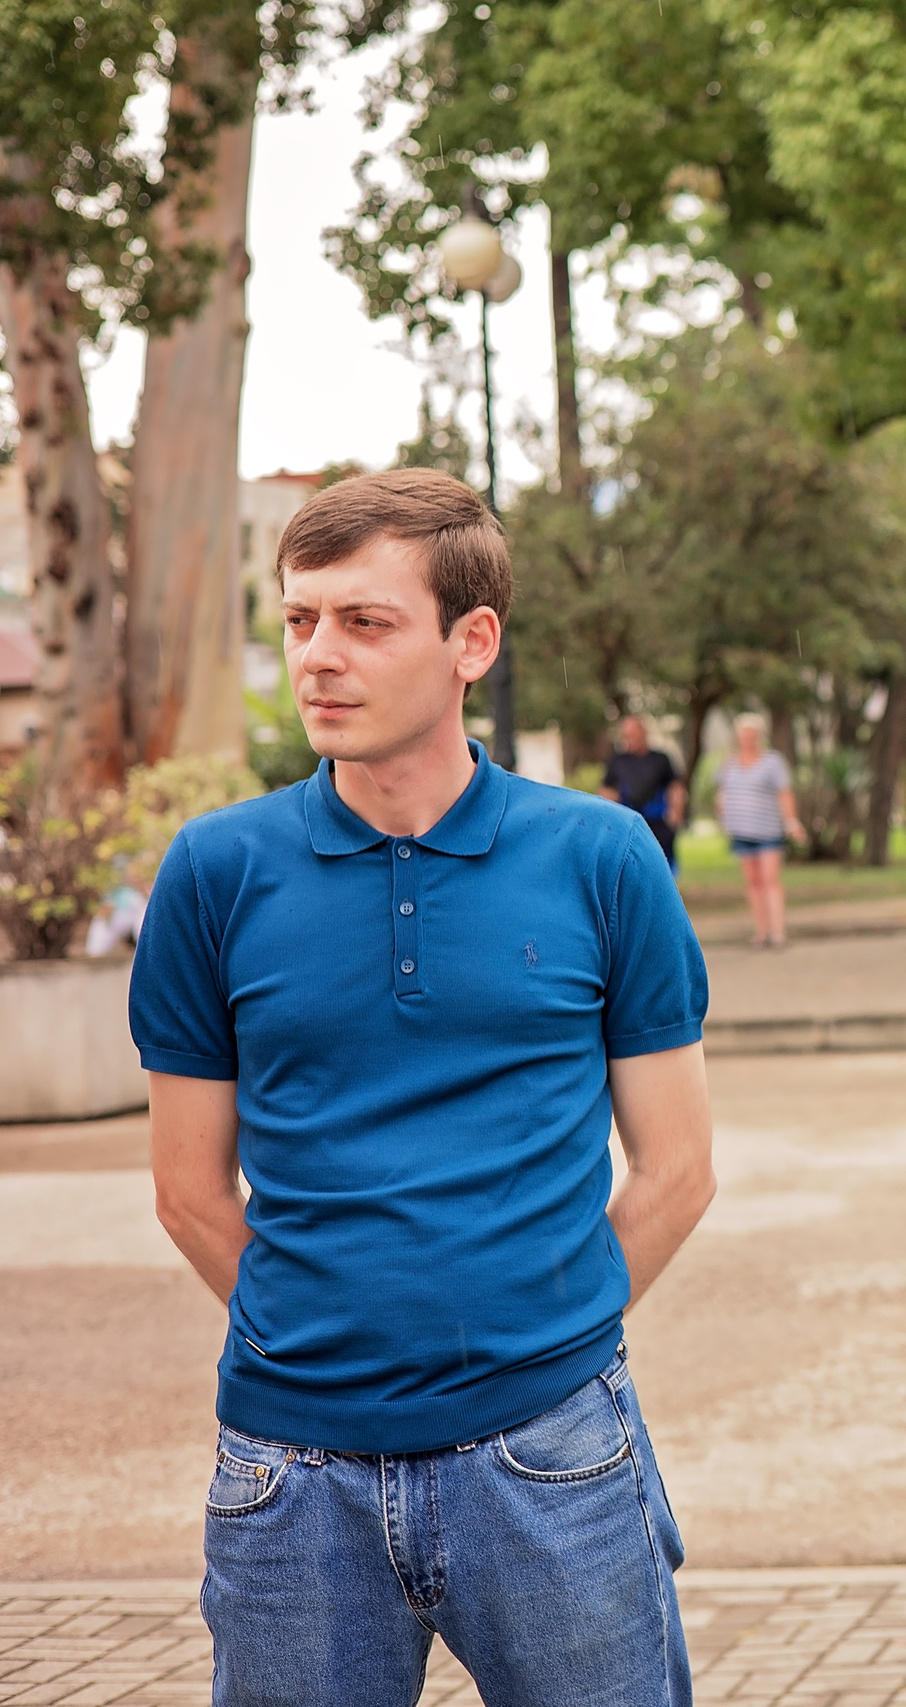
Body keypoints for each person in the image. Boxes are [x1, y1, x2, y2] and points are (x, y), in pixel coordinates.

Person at [132, 467, 715, 1707]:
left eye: (363, 622)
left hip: (554, 1458)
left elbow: (677, 1170)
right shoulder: (216, 873)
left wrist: (541, 1332)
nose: (317, 658)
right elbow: (188, 1192)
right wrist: (332, 1332)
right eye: (299, 621)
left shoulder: (602, 857)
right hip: (289, 1479)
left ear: (472, 643)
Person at [714, 713, 802, 949]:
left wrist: (792, 822)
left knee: (770, 880)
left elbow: (784, 793)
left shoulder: (772, 761)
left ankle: (778, 931)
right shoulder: (729, 763)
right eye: (743, 734)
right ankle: (761, 932)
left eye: (751, 734)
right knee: (753, 882)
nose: (747, 739)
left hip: (768, 831)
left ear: (759, 736)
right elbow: (722, 792)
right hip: (741, 830)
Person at [601, 714, 688, 872]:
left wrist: (676, 815)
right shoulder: (617, 760)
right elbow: (607, 790)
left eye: (633, 734)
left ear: (644, 732)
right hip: (629, 823)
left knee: (662, 869)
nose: (629, 738)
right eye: (626, 735)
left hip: (658, 823)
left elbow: (675, 788)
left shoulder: (661, 759)